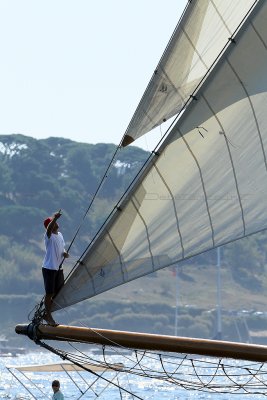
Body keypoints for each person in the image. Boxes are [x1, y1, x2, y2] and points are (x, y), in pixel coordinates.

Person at [42, 210, 69, 326]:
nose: (56, 224)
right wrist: (55, 218)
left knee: (59, 292)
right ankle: (48, 316)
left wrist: (65, 253)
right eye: (53, 223)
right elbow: (48, 228)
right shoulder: (48, 236)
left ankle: (46, 313)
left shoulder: (60, 235)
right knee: (49, 293)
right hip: (49, 268)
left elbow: (62, 248)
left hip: (59, 268)